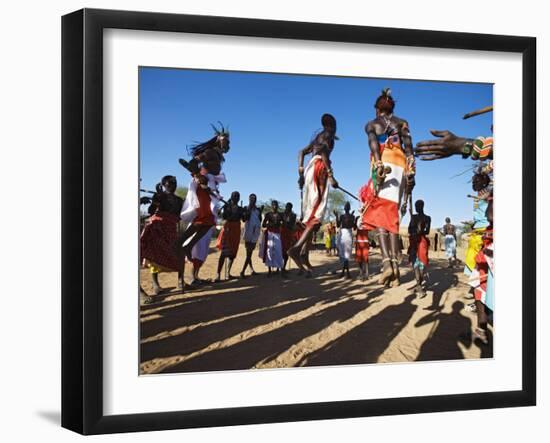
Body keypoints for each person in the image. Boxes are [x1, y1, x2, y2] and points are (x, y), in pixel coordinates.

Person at [359, 88, 416, 287]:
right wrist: (411, 168)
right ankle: (396, 273)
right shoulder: (402, 123)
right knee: (391, 216)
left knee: (380, 215)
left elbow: (373, 144)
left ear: (377, 109)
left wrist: (378, 164)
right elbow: (409, 146)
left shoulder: (372, 124)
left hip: (385, 163)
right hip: (401, 165)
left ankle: (386, 265)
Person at [177, 123, 230, 292]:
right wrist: (198, 177)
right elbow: (192, 163)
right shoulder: (209, 152)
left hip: (211, 186)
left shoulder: (218, 156)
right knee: (205, 218)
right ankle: (182, 244)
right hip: (203, 185)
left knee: (209, 222)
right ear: (218, 141)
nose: (227, 145)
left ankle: (187, 248)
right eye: (225, 141)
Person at [288, 113, 339, 277]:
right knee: (317, 215)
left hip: (310, 168)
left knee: (312, 217)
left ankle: (304, 255)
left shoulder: (317, 137)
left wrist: (301, 172)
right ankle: (296, 250)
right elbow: (324, 152)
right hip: (319, 169)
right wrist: (330, 175)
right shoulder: (328, 136)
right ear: (331, 125)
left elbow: (301, 152)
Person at [139, 175, 184, 303]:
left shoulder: (179, 200)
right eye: (169, 184)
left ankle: (180, 281)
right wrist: (157, 199)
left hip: (170, 229)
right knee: (154, 254)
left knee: (176, 254)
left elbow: (180, 215)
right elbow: (151, 210)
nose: (172, 186)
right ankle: (155, 284)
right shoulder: (159, 196)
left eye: (174, 184)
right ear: (163, 185)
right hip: (157, 229)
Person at [215, 191, 245, 281]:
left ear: (239, 198)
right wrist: (227, 209)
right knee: (224, 252)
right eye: (234, 196)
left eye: (237, 196)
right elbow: (224, 216)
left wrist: (246, 213)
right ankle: (218, 274)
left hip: (236, 230)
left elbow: (243, 219)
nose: (236, 198)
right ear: (231, 197)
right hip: (228, 229)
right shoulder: (226, 206)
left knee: (233, 253)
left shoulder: (240, 209)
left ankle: (228, 273)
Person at [407, 200, 431, 296]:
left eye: (418, 206)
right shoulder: (413, 217)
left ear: (422, 206)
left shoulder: (427, 218)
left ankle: (419, 283)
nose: (417, 208)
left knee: (422, 263)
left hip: (422, 242)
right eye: (416, 206)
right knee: (415, 263)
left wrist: (421, 230)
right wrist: (414, 228)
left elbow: (427, 231)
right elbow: (409, 229)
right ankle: (418, 285)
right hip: (413, 241)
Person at [239, 193, 263, 278]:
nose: (253, 200)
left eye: (254, 199)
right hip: (248, 231)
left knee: (249, 252)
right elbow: (244, 219)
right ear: (249, 199)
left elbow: (260, 220)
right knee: (249, 253)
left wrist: (260, 212)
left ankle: (249, 270)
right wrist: (247, 211)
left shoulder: (258, 210)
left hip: (255, 232)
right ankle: (243, 271)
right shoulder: (246, 208)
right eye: (251, 199)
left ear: (256, 200)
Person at [259, 200, 284, 276]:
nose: (275, 206)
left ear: (277, 206)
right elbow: (263, 224)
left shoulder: (280, 215)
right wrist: (269, 225)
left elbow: (284, 223)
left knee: (278, 251)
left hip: (278, 234)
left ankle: (278, 269)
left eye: (276, 205)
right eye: (273, 205)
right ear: (271, 206)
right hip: (270, 234)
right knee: (269, 251)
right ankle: (269, 270)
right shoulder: (268, 214)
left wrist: (281, 224)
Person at [334, 202, 355, 278]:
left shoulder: (351, 216)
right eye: (345, 206)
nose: (345, 207)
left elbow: (354, 227)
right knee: (344, 254)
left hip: (348, 234)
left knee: (346, 254)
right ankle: (346, 272)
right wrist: (336, 216)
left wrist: (354, 219)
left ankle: (346, 272)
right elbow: (338, 225)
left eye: (347, 206)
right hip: (343, 234)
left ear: (348, 208)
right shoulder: (343, 216)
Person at [281, 202, 297, 275]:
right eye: (287, 207)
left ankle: (283, 267)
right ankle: (279, 267)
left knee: (287, 251)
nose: (287, 208)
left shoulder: (293, 215)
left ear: (291, 208)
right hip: (282, 233)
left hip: (289, 234)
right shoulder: (282, 214)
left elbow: (293, 225)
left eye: (289, 207)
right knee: (280, 250)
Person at [354, 216, 370, 281]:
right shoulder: (358, 218)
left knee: (365, 259)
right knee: (359, 258)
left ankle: (366, 273)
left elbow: (369, 229)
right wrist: (355, 222)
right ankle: (361, 273)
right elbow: (354, 228)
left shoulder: (367, 220)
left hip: (364, 241)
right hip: (359, 241)